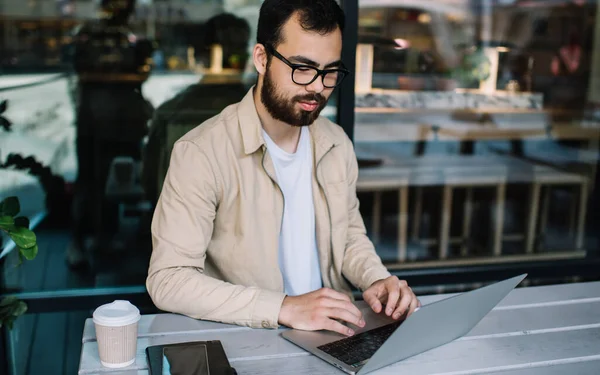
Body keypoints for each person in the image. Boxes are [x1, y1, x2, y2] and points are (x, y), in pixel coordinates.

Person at [146, 0, 419, 337]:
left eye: (330, 71)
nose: (318, 86)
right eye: (302, 68)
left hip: (336, 334)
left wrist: (375, 279)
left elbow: (347, 236)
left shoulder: (335, 143)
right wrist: (284, 307)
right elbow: (169, 280)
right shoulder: (201, 152)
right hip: (250, 339)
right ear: (262, 58)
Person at [67, 0, 154, 268]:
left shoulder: (128, 35)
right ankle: (82, 240)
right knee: (92, 180)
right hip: (98, 120)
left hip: (120, 118)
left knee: (118, 179)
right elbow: (82, 71)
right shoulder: (94, 34)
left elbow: (140, 72)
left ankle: (104, 236)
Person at [141, 13, 251, 205]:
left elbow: (151, 184)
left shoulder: (171, 113)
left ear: (199, 57)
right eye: (235, 54)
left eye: (238, 53)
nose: (235, 60)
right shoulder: (267, 115)